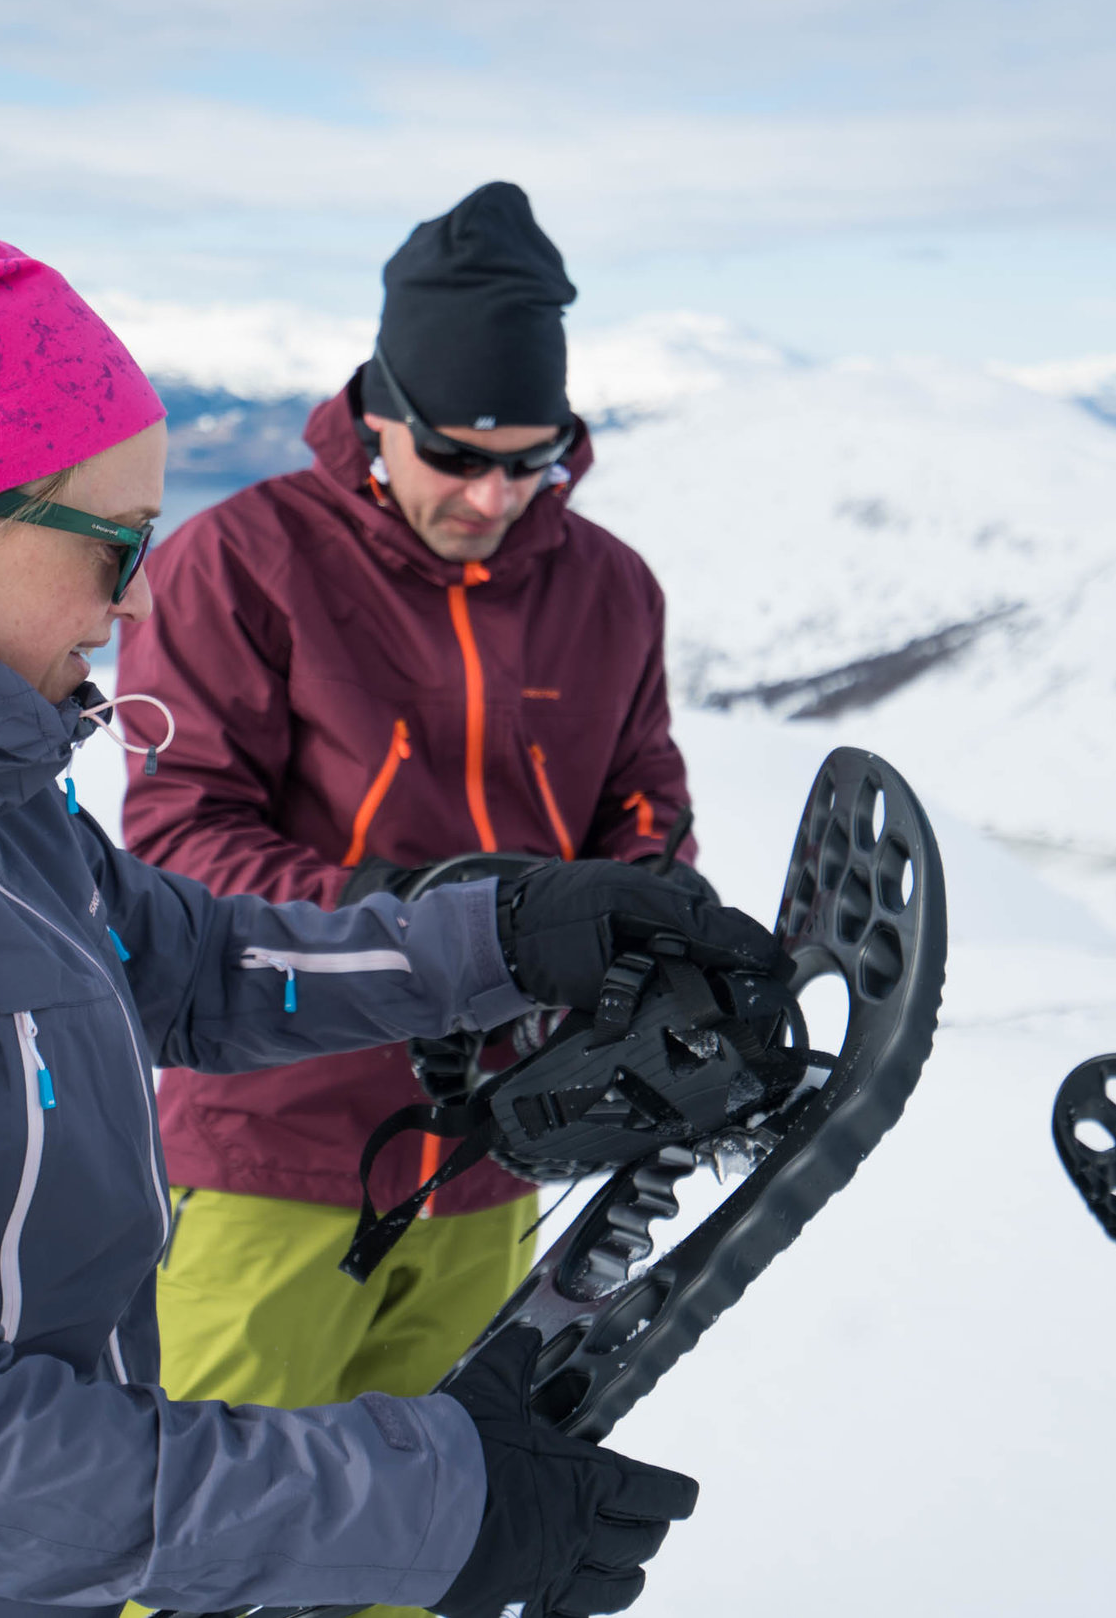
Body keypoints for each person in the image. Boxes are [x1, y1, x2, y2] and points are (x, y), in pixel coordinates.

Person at [0, 194, 782, 1618]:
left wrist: (504, 936)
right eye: (114, 546)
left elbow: (189, 962)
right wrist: (433, 1503)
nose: (136, 605)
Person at [115, 183, 700, 1444]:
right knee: (205, 1540)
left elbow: (641, 797)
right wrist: (444, 921)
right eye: (459, 458)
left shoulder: (611, 589)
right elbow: (177, 839)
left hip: (499, 1156)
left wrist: (637, 932)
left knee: (430, 1532)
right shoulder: (239, 563)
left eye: (531, 460)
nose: (495, 498)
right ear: (381, 414)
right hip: (272, 1143)